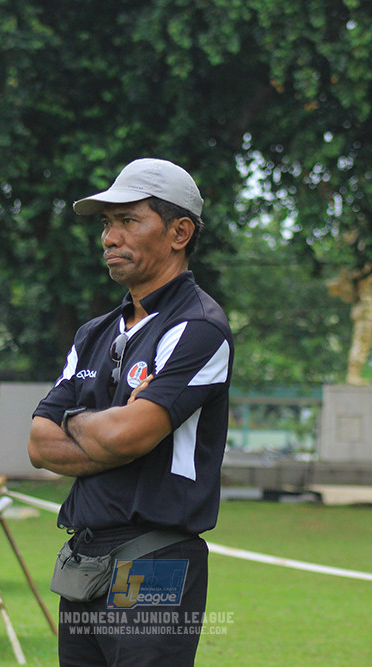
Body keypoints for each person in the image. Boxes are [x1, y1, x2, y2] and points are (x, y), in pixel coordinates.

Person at [28, 158, 233, 666]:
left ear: (179, 232)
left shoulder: (200, 328)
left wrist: (75, 420)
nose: (109, 238)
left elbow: (126, 437)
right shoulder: (94, 332)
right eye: (106, 223)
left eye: (128, 221)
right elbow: (37, 444)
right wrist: (110, 429)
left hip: (156, 558)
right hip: (84, 557)